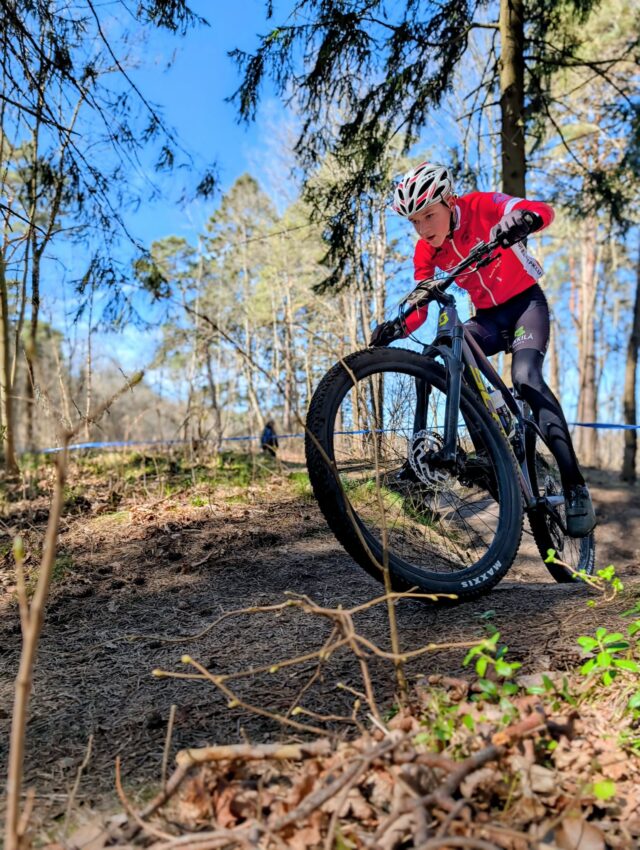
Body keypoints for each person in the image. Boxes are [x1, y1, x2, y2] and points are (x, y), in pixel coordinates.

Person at [369, 162, 596, 538]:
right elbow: (420, 306)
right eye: (414, 222)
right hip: (488, 318)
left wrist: (521, 220)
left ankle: (574, 486)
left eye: (429, 215)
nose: (424, 229)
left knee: (524, 378)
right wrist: (397, 327)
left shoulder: (481, 206)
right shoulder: (424, 252)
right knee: (452, 352)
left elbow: (542, 210)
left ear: (449, 200)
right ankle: (492, 454)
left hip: (526, 306)